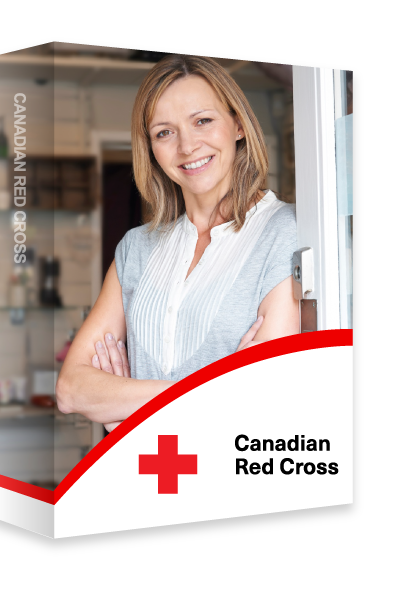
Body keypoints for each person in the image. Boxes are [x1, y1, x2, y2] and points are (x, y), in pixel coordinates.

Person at [56, 54, 299, 431]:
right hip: (143, 480)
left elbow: (260, 399)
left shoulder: (286, 231)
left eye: (203, 121)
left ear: (237, 124)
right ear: (150, 148)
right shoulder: (135, 249)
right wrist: (216, 388)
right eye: (164, 132)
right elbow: (72, 389)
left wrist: (124, 399)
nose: (187, 146)